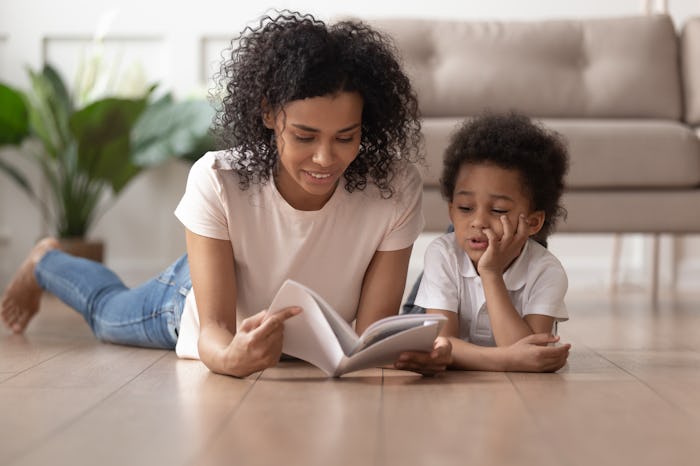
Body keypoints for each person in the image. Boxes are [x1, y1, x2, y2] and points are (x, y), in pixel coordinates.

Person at [0, 11, 452, 377]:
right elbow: (214, 332)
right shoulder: (218, 178)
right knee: (104, 314)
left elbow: (369, 335)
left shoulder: (395, 188)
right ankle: (46, 260)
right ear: (270, 115)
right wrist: (230, 358)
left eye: (345, 137)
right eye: (304, 136)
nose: (324, 158)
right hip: (194, 297)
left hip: (291, 341)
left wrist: (402, 356)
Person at [394, 113, 571, 373]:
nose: (479, 221)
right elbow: (443, 344)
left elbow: (530, 353)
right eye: (465, 207)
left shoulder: (548, 271)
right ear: (451, 209)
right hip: (425, 309)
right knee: (410, 342)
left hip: (507, 264)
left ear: (533, 222)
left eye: (498, 210)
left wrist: (491, 273)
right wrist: (506, 359)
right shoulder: (443, 253)